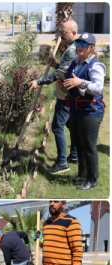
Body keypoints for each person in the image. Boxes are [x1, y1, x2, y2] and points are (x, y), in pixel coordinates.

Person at [29, 20, 79, 174]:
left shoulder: (71, 51)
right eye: (60, 32)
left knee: (57, 127)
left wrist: (39, 81)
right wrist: (56, 65)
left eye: (64, 33)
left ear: (74, 33)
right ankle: (75, 155)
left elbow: (59, 75)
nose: (61, 35)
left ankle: (62, 163)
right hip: (72, 95)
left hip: (65, 95)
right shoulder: (75, 48)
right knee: (72, 126)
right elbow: (66, 70)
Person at [61, 32, 106, 191]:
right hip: (76, 110)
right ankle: (82, 174)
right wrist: (65, 84)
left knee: (88, 146)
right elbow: (70, 80)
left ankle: (92, 179)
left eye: (84, 44)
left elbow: (98, 88)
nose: (80, 46)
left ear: (92, 48)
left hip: (91, 112)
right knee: (78, 144)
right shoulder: (75, 63)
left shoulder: (95, 65)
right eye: (78, 43)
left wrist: (80, 83)